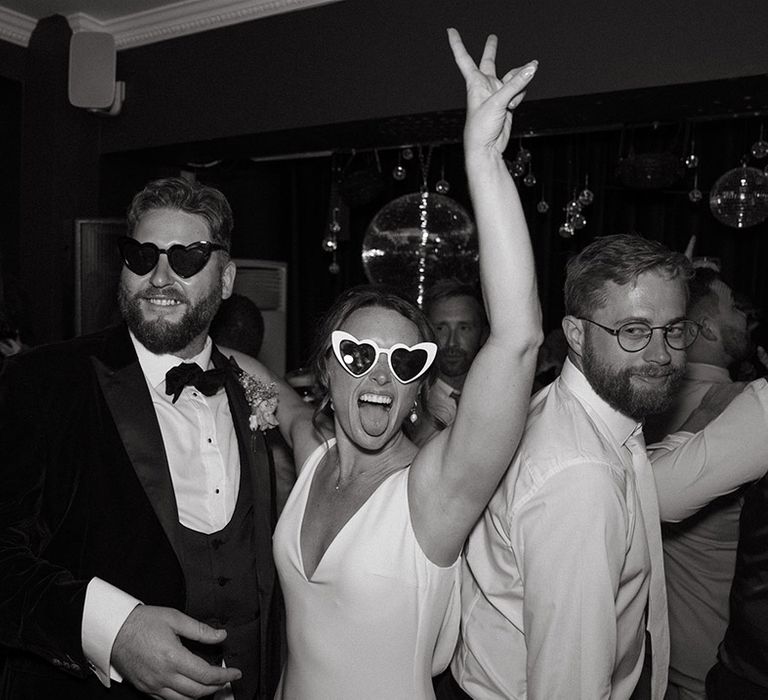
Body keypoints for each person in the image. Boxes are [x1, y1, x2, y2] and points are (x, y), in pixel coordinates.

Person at [234, 29, 542, 699]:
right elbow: (274, 395)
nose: (380, 373)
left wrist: (482, 160)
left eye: (404, 360)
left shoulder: (434, 491)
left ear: (417, 386)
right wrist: (192, 340)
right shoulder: (313, 451)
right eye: (358, 354)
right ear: (326, 370)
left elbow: (516, 339)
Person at [447, 233, 768, 700]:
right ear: (576, 334)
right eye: (633, 331)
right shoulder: (582, 477)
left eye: (673, 330)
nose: (661, 355)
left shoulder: (585, 418)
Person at [0, 177, 281, 699]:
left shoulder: (251, 392)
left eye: (188, 258)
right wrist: (112, 629)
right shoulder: (43, 382)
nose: (160, 275)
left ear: (226, 280)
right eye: (142, 254)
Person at [640, 269, 751, 700]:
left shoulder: (644, 393)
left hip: (662, 647)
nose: (746, 317)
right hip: (717, 647)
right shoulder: (740, 405)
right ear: (706, 326)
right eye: (735, 308)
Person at [410, 278, 488, 445]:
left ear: (483, 333)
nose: (452, 342)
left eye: (464, 328)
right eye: (441, 328)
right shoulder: (409, 401)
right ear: (426, 333)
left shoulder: (501, 398)